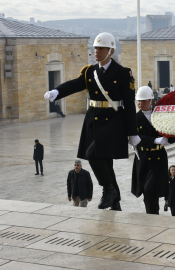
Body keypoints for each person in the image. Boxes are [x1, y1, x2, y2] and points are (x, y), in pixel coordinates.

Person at [43, 32, 139, 211]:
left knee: (92, 154)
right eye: (95, 48)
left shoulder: (123, 73)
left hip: (113, 121)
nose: (97, 51)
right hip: (93, 121)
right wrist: (57, 91)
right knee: (105, 163)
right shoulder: (90, 71)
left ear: (110, 51)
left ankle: (108, 189)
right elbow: (74, 84)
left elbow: (130, 104)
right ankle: (115, 201)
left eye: (101, 48)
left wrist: (132, 132)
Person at [131, 86, 175, 215]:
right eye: (138, 101)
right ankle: (152, 216)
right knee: (147, 191)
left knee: (151, 189)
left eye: (144, 101)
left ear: (151, 101)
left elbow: (170, 132)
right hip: (143, 158)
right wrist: (154, 141)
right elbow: (135, 137)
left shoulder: (160, 115)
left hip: (158, 158)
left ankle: (153, 216)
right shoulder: (134, 118)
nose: (140, 103)